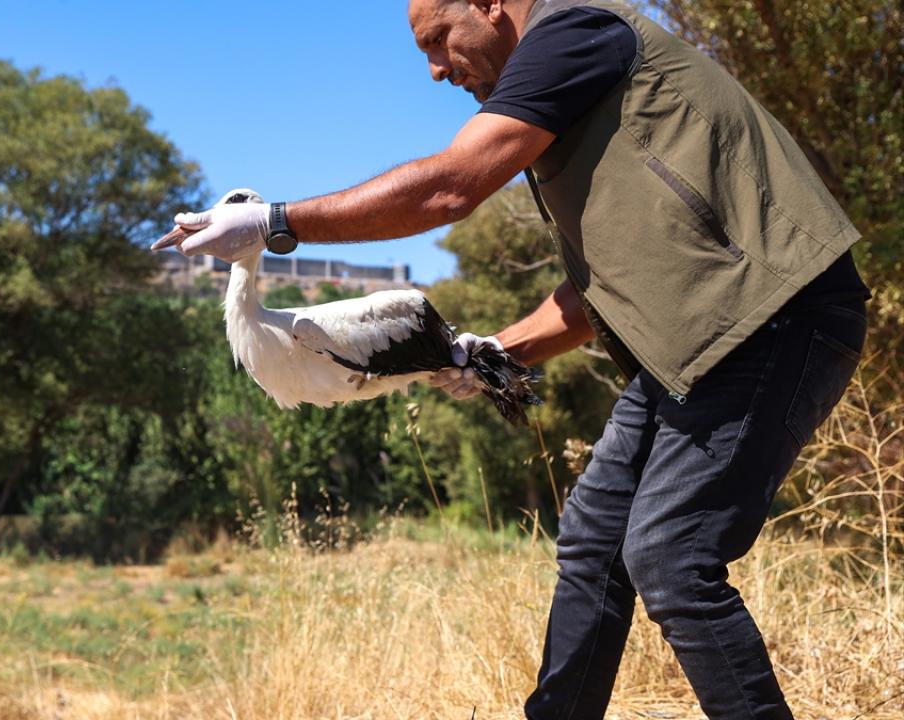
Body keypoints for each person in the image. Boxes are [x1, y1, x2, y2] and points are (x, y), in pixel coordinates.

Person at [155, 0, 871, 717]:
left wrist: (275, 221)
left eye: (438, 40)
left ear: (490, 4)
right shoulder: (575, 98)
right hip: (696, 341)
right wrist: (497, 352)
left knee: (670, 554)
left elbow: (449, 188)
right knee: (596, 538)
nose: (436, 71)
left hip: (775, 313)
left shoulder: (575, 32)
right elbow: (603, 287)